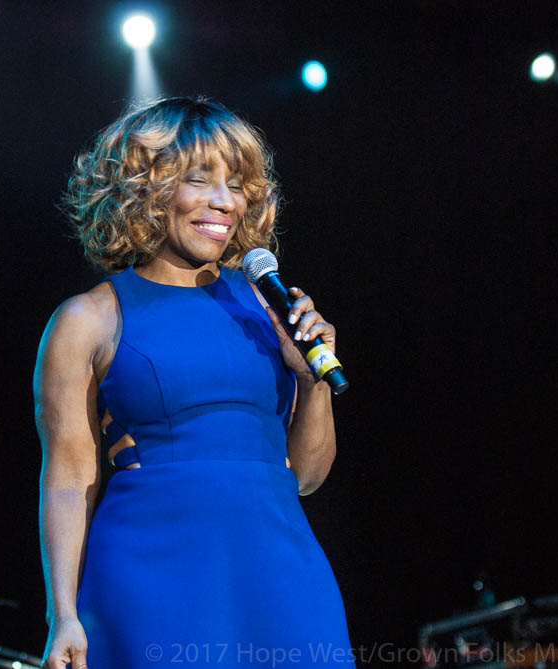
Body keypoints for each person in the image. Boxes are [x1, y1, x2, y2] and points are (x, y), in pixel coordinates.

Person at [35, 97, 354, 668]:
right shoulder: (89, 319)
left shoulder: (265, 305)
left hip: (280, 567)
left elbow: (304, 477)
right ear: (146, 189)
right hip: (152, 572)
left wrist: (312, 381)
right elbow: (69, 477)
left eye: (237, 185)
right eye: (200, 181)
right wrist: (63, 614)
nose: (224, 202)